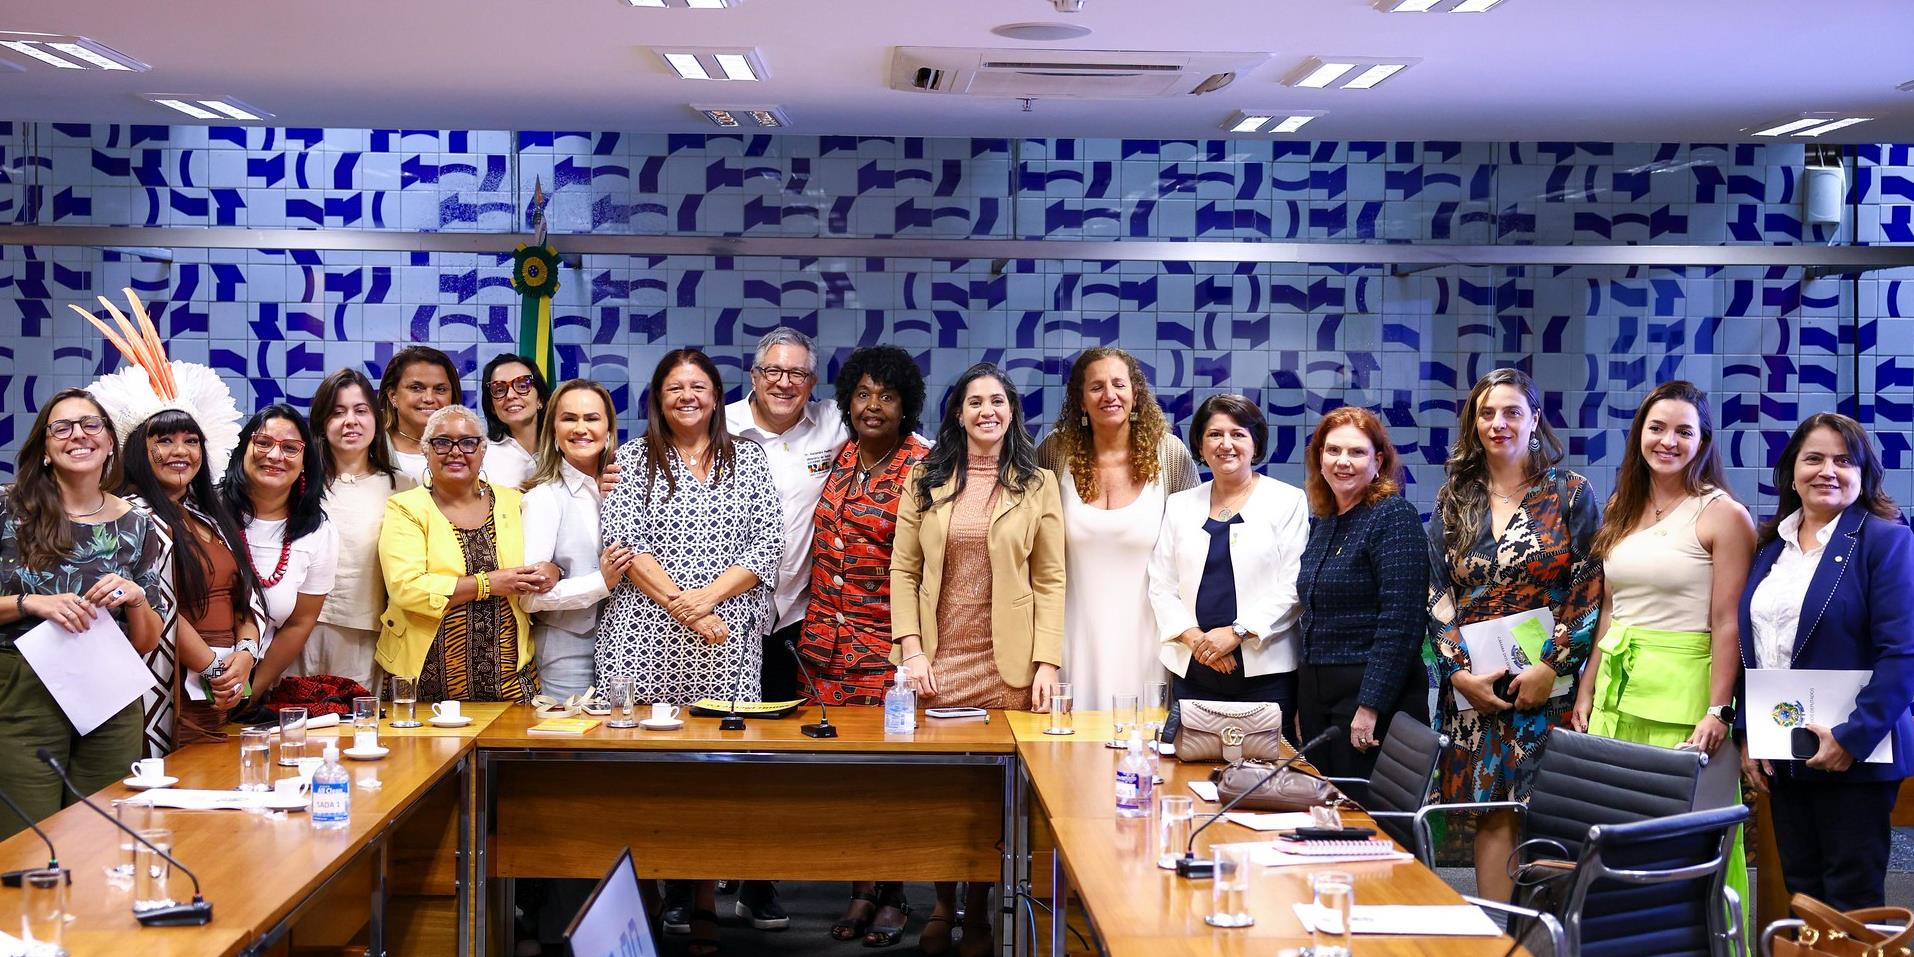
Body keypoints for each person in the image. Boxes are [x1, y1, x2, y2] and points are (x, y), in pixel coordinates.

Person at [598, 349, 781, 956]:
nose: (687, 396)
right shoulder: (630, 459)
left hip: (726, 644)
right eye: (674, 387)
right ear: (657, 397)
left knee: (714, 779)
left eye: (698, 386)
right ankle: (648, 903)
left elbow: (767, 547)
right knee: (645, 778)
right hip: (642, 639)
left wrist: (704, 604)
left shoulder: (748, 459)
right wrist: (684, 607)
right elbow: (622, 545)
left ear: (716, 395)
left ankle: (705, 902)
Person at [891, 361, 1063, 957]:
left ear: (1011, 410)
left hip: (1007, 662)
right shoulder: (925, 477)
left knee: (996, 796)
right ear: (958, 413)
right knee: (945, 791)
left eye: (997, 401)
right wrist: (910, 650)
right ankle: (943, 903)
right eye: (974, 402)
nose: (987, 411)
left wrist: (1048, 662)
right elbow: (904, 570)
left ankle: (985, 910)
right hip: (941, 658)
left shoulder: (1037, 483)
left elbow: (1050, 578)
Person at [1571, 381, 1754, 916]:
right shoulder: (1622, 506)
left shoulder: (1723, 514)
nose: (1667, 440)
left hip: (1686, 696)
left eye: (1683, 431)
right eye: (1657, 428)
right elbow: (1611, 609)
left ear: (1703, 441)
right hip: (1615, 692)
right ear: (1639, 435)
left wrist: (1719, 709)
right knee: (1616, 837)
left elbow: (1727, 623)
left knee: (1691, 842)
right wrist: (1587, 687)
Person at [1426, 367, 1602, 905]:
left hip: (1548, 687)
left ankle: (1548, 936)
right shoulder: (1455, 497)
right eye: (1486, 413)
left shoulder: (1571, 493)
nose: (1498, 423)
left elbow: (1589, 584)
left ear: (1534, 420)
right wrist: (1458, 674)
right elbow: (1436, 594)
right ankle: (1499, 938)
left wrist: (1551, 667)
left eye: (1511, 412)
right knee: (1490, 814)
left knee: (1551, 814)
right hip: (1475, 691)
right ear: (1473, 423)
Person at [1738, 413, 1914, 910]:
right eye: (1813, 458)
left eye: (1843, 460)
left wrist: (1852, 738)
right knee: (1803, 897)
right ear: (1792, 470)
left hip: (1856, 758)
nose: (1827, 471)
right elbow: (1752, 648)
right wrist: (1750, 732)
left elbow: (1902, 656)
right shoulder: (1770, 546)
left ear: (1864, 474)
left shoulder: (1886, 541)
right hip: (1786, 753)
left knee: (1853, 901)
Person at [799, 345, 930, 949]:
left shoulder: (924, 465)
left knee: (894, 776)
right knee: (845, 776)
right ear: (847, 401)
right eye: (863, 395)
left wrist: (914, 647)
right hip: (825, 648)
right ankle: (860, 887)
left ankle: (894, 892)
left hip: (888, 649)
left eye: (888, 396)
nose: (873, 406)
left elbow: (930, 565)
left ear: (906, 406)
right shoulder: (841, 456)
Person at [0, 390, 168, 840]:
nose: (78, 435)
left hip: (109, 688)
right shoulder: (8, 510)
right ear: (46, 448)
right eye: (62, 427)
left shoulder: (137, 524)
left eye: (91, 425)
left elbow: (148, 641)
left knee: (104, 834)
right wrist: (28, 603)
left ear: (111, 442)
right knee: (27, 840)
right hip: (23, 687)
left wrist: (135, 598)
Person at [721, 327, 844, 932]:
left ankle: (756, 881)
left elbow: (907, 444)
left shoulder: (832, 424)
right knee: (713, 756)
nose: (784, 382)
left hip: (795, 617)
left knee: (772, 759)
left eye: (797, 374)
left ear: (813, 383)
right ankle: (683, 886)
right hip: (717, 619)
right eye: (773, 370)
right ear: (753, 374)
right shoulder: (716, 425)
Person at [1037, 347, 1198, 712]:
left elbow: (1192, 551)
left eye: (1118, 384)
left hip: (1148, 641)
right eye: (1095, 387)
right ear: (1080, 400)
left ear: (1135, 393)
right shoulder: (1053, 453)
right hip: (1069, 638)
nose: (1109, 395)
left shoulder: (1169, 455)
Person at [1147, 395, 1308, 723]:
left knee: (1264, 771)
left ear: (1255, 443)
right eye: (1214, 434)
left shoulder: (1287, 501)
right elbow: (1161, 584)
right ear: (1200, 444)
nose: (1226, 444)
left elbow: (1293, 586)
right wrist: (1197, 640)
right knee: (1188, 768)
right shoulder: (1180, 504)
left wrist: (1235, 633)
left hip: (1264, 673)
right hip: (1193, 668)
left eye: (1238, 434)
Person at [376, 406, 550, 704]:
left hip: (510, 681)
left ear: (483, 449)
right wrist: (486, 584)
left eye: (468, 442)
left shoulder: (516, 502)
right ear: (425, 451)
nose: (455, 452)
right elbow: (406, 589)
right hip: (421, 682)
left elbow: (546, 558)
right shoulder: (406, 508)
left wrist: (552, 570)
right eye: (442, 442)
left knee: (511, 750)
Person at [1295, 406, 1430, 780]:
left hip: (1371, 696)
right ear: (1319, 458)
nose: (1343, 462)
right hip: (1319, 694)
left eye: (1357, 452)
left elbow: (1401, 622)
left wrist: (1371, 705)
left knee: (1367, 822)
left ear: (1378, 461)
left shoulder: (1392, 516)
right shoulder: (1324, 521)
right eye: (1333, 450)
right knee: (1325, 816)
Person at [120, 409, 265, 746]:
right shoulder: (131, 516)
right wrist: (214, 669)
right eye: (165, 441)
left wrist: (244, 655)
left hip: (220, 690)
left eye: (191, 441)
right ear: (139, 451)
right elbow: (159, 605)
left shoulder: (210, 518)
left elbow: (243, 598)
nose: (181, 451)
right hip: (168, 684)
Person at [521, 379, 630, 701]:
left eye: (592, 418)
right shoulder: (543, 499)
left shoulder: (629, 489)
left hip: (632, 648)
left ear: (609, 430)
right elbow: (529, 598)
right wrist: (601, 582)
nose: (581, 428)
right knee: (572, 747)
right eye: (569, 418)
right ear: (553, 432)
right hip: (569, 653)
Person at [305, 368, 413, 690]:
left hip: (365, 629)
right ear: (323, 424)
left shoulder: (403, 486)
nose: (350, 421)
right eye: (337, 412)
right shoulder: (300, 483)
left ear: (377, 420)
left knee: (354, 732)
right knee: (295, 721)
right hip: (299, 628)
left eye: (360, 410)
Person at [225, 405, 339, 702]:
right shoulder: (207, 510)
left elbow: (299, 623)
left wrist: (251, 692)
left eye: (290, 448)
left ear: (304, 462)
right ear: (242, 449)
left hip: (249, 684)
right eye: (263, 443)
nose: (275, 456)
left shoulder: (317, 530)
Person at [379, 345, 462, 484]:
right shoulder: (370, 449)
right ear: (393, 395)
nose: (429, 398)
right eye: (416, 388)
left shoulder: (471, 448)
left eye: (440, 389)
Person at [480, 353, 549, 490]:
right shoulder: (482, 455)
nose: (511, 395)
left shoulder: (563, 449)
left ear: (540, 399)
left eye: (522, 386)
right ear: (492, 406)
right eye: (499, 390)